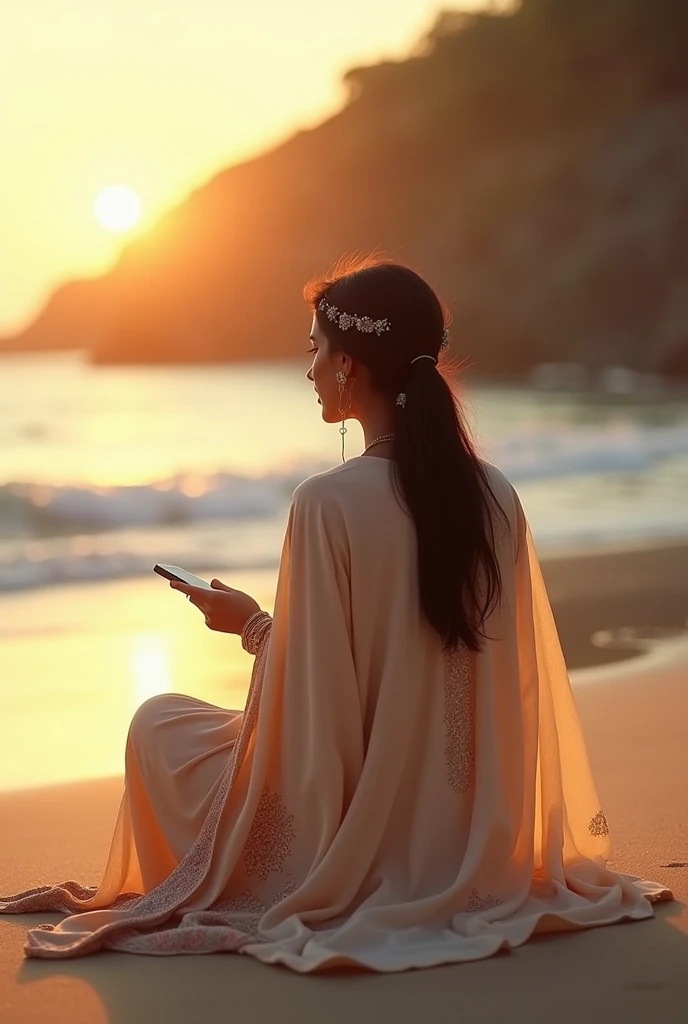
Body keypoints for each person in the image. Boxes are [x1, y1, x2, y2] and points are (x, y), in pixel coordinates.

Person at [0, 256, 672, 970]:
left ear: (349, 364)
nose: (310, 370)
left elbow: (316, 717)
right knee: (182, 726)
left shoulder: (326, 504)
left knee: (157, 724)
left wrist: (253, 625)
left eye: (315, 350)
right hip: (472, 829)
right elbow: (509, 686)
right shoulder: (497, 494)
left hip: (355, 826)